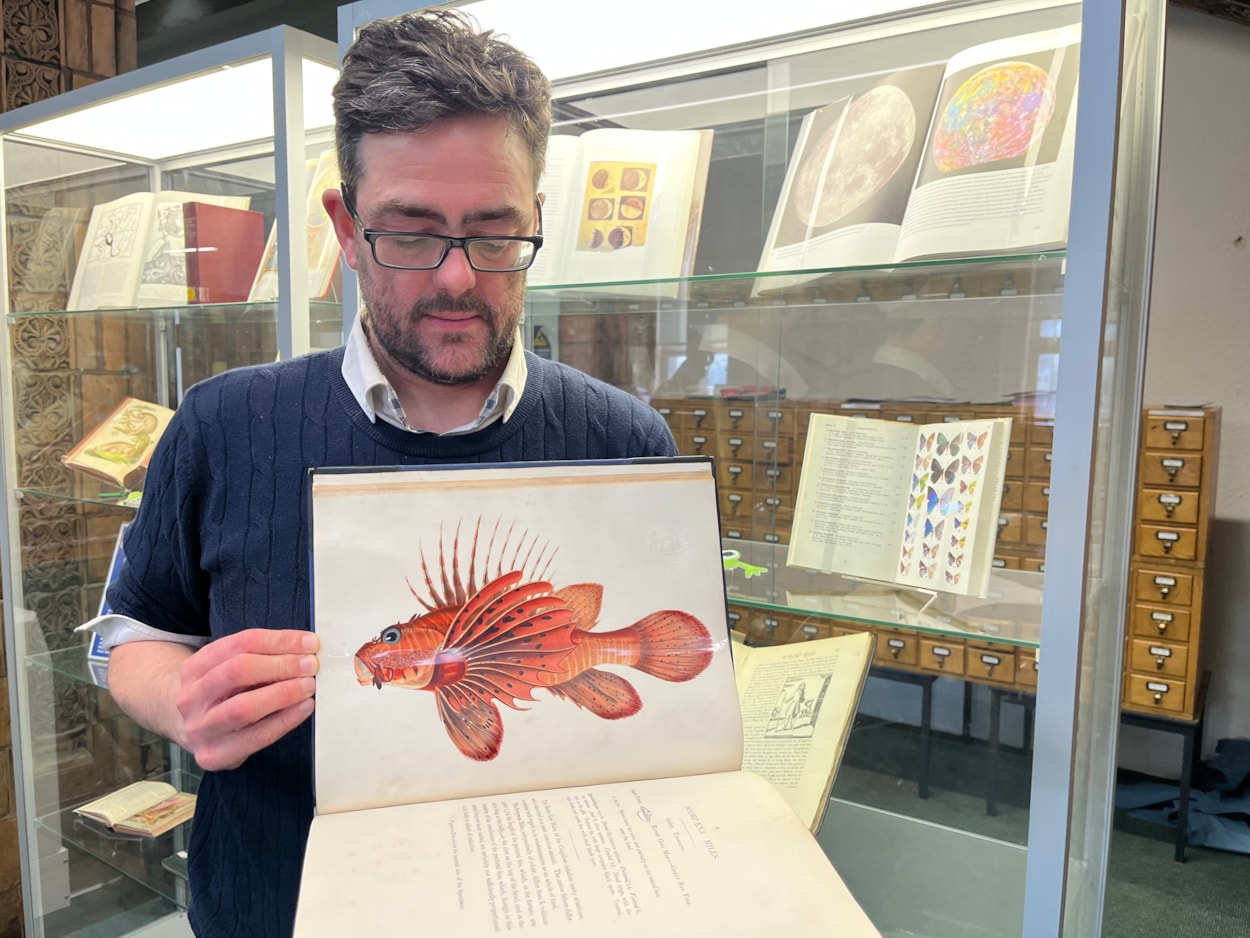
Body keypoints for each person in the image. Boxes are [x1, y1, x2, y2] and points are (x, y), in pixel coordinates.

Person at [98, 10, 676, 937]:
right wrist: (180, 698)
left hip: (550, 905)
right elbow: (129, 628)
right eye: (410, 234)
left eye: (494, 235)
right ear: (345, 222)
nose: (455, 278)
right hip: (273, 902)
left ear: (537, 222)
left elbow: (666, 717)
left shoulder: (627, 440)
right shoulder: (222, 421)